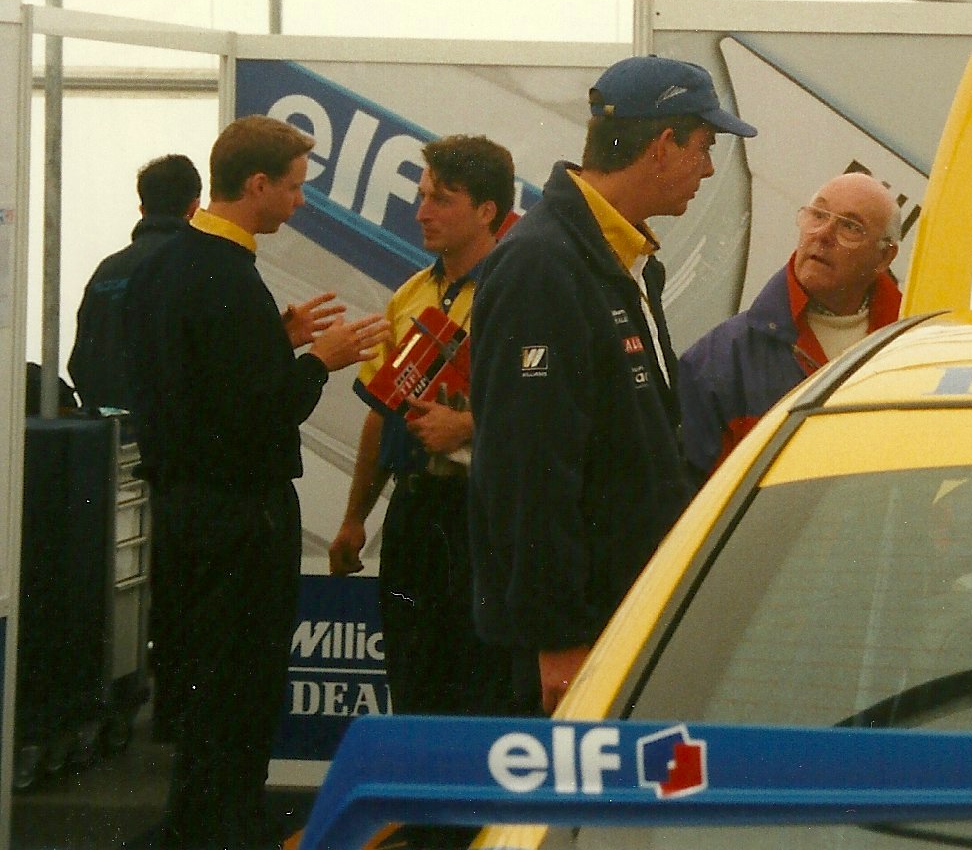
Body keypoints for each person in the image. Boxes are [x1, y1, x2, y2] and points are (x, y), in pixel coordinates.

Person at [124, 115, 388, 850]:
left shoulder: (171, 261)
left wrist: (277, 339)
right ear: (259, 184)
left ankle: (203, 824)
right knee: (240, 693)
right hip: (241, 517)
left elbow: (195, 380)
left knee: (208, 687)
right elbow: (252, 416)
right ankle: (223, 831)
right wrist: (317, 360)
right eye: (296, 188)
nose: (303, 203)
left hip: (189, 509)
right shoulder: (226, 273)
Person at [469, 55, 755, 714]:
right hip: (578, 638)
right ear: (662, 146)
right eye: (705, 148)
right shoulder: (544, 265)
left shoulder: (621, 261)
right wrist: (557, 641)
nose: (708, 170)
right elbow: (529, 467)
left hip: (622, 614)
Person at [328, 135, 514, 726]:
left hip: (488, 513)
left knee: (482, 682)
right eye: (423, 195)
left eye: (442, 199)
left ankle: (476, 822)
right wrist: (356, 517)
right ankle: (422, 819)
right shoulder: (412, 293)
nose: (422, 213)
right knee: (413, 674)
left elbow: (560, 407)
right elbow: (382, 413)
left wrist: (468, 424)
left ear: (487, 211)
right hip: (416, 511)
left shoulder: (520, 291)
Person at [679, 171, 902, 477]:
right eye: (819, 215)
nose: (823, 234)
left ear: (884, 257)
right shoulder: (722, 359)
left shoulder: (914, 348)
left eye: (850, 226)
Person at [68, 153, 202, 412]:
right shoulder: (199, 267)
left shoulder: (106, 271)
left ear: (142, 210)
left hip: (109, 434)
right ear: (194, 208)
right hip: (173, 436)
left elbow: (81, 360)